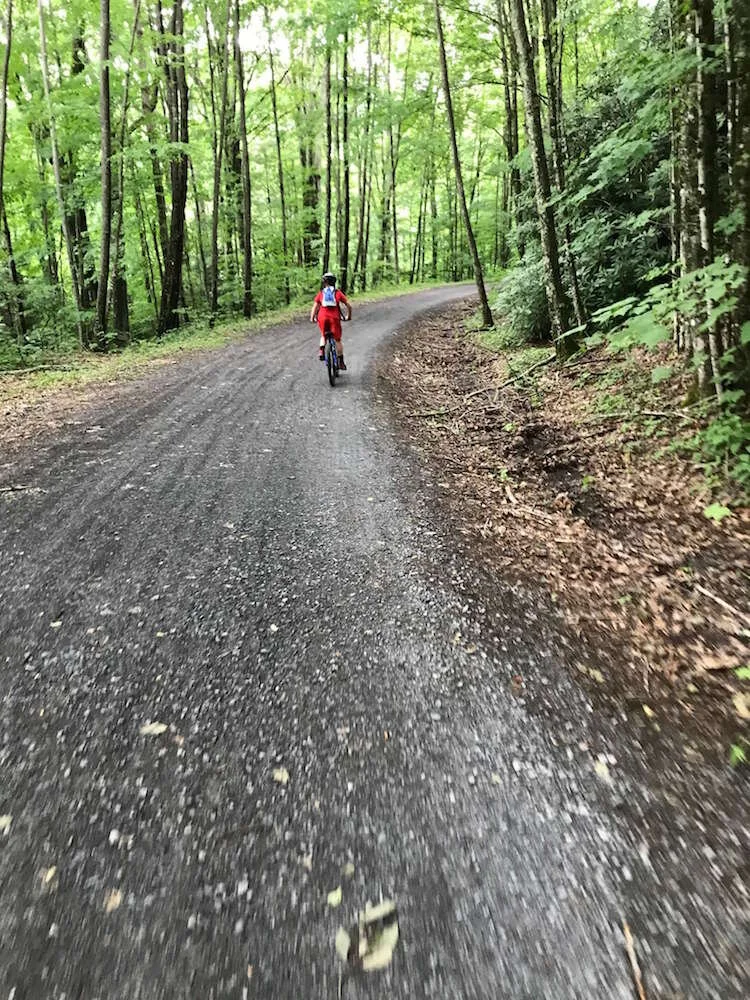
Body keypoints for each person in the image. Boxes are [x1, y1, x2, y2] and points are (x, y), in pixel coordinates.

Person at [310, 272, 351, 370]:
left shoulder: (321, 293)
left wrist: (312, 318)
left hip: (322, 317)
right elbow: (349, 305)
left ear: (324, 282)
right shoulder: (337, 293)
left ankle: (321, 350)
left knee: (323, 335)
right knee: (337, 340)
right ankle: (341, 362)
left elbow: (315, 307)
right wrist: (348, 316)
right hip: (334, 318)